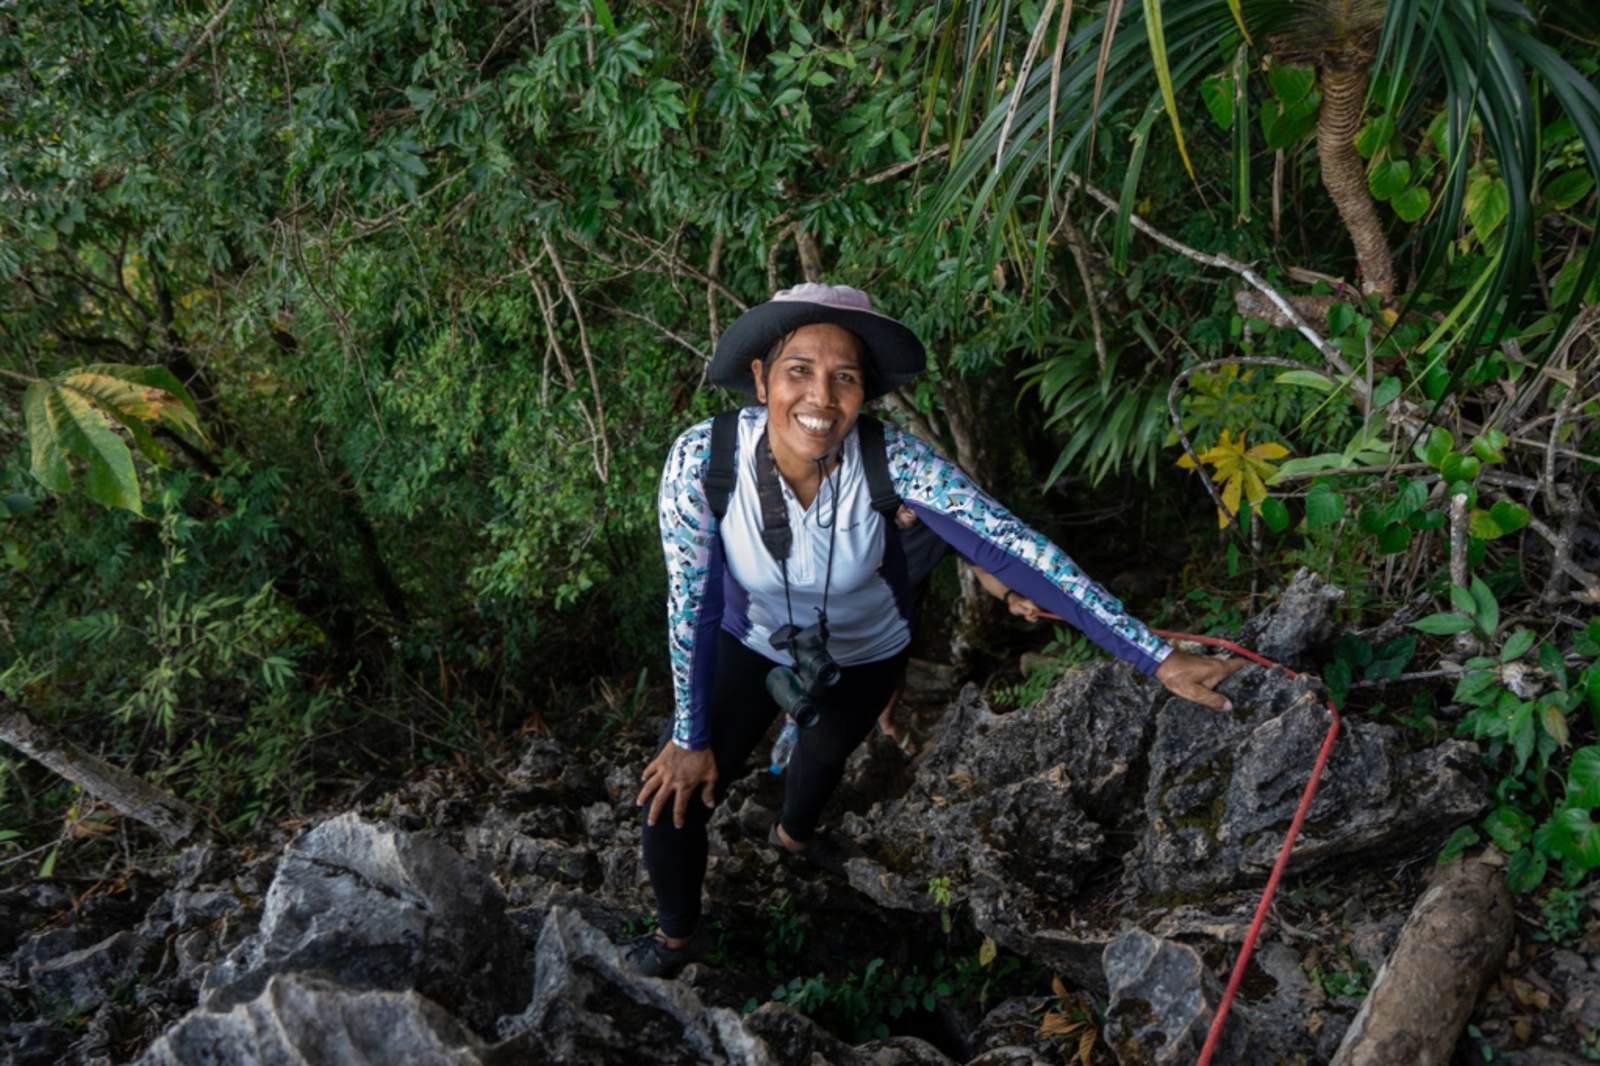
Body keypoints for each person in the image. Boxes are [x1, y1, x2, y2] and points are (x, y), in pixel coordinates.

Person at [624, 283, 1244, 976]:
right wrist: (691, 737)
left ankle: (795, 838)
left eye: (845, 376)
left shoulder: (896, 461)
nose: (821, 396)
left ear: (865, 393)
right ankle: (677, 936)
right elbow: (692, 602)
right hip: (750, 639)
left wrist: (1158, 659)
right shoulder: (705, 461)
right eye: (799, 370)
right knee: (671, 800)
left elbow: (1013, 548)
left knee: (824, 754)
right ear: (761, 379)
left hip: (867, 649)